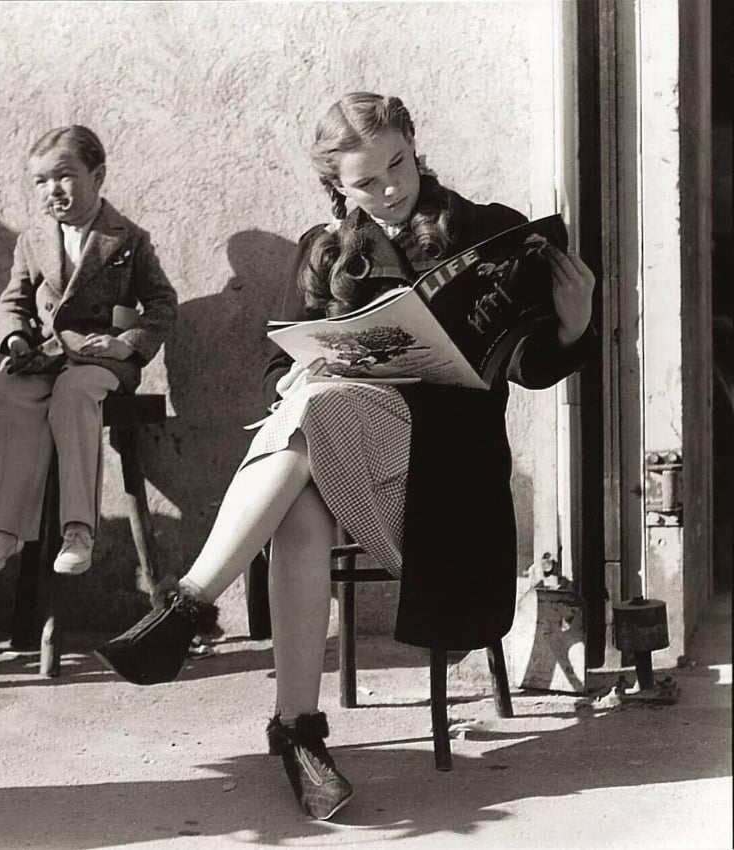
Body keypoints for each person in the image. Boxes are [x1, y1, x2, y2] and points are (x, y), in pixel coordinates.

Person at [95, 92, 597, 820]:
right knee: (306, 458)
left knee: (312, 434)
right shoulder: (324, 251)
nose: (390, 188)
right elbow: (279, 366)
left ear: (414, 146)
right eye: (367, 181)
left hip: (446, 479)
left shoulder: (489, 231)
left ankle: (188, 610)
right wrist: (302, 372)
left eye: (399, 165)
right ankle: (299, 732)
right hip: (350, 455)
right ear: (336, 186)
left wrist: (573, 325)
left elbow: (528, 365)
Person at [0, 125, 177, 579]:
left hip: (101, 360)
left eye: (64, 176)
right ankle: (3, 529)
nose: (52, 190)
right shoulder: (32, 240)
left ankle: (78, 529)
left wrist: (126, 344)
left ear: (97, 176)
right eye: (40, 181)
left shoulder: (127, 238)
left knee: (74, 394)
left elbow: (162, 303)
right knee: (8, 395)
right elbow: (13, 301)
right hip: (48, 355)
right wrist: (16, 339)